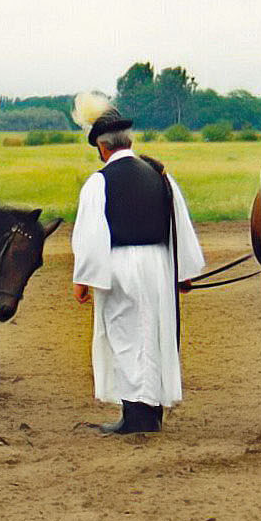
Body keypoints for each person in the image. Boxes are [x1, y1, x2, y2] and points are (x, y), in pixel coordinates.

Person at [70, 93, 204, 433]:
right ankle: (150, 411)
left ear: (101, 148)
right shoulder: (160, 176)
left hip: (120, 265)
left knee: (125, 334)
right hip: (158, 263)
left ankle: (135, 416)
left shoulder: (99, 182)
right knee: (156, 332)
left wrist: (83, 279)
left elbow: (90, 235)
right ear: (128, 141)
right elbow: (180, 226)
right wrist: (182, 272)